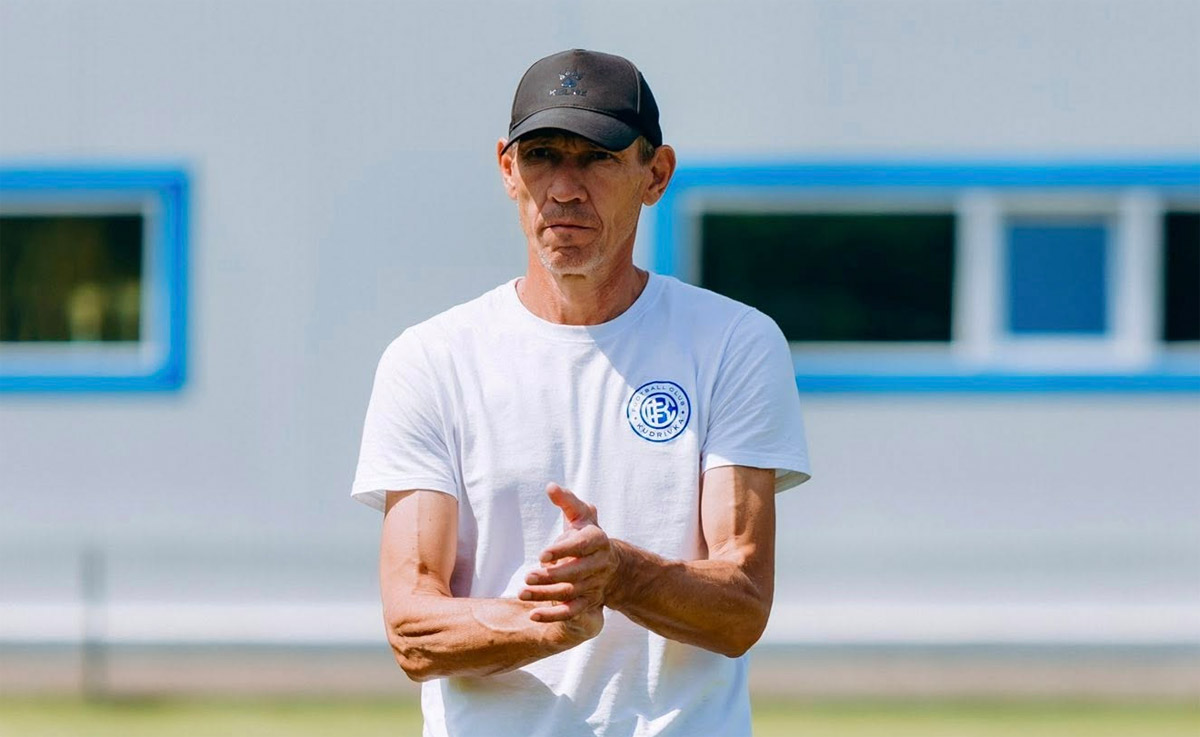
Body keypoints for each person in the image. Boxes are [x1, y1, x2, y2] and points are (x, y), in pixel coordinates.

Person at [351, 48, 810, 737]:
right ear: (507, 168)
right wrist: (549, 623)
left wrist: (620, 573)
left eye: (597, 157)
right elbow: (414, 628)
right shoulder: (431, 359)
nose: (564, 188)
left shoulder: (733, 343)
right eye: (542, 157)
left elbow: (741, 606)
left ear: (656, 175)